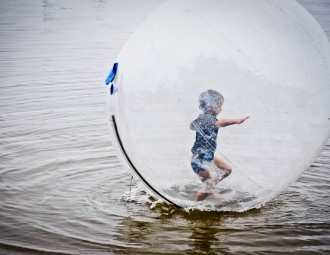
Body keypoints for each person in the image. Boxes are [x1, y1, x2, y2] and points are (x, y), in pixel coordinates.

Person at [190, 89, 249, 201]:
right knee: (210, 182)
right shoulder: (210, 120)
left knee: (224, 171)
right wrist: (237, 121)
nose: (221, 109)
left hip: (202, 158)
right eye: (219, 106)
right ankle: (196, 204)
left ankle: (210, 194)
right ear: (210, 106)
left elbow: (191, 126)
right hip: (200, 161)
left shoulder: (199, 119)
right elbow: (221, 123)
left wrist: (198, 127)